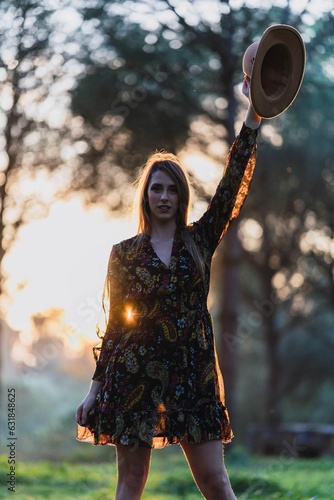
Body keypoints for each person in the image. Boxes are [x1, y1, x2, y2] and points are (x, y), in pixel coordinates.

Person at [76, 75, 261, 500]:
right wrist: (94, 390)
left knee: (216, 481)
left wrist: (253, 116)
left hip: (192, 376)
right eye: (156, 188)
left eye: (171, 189)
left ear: (181, 197)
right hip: (133, 375)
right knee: (131, 482)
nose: (163, 196)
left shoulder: (199, 241)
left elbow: (232, 183)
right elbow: (116, 327)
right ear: (145, 196)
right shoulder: (122, 254)